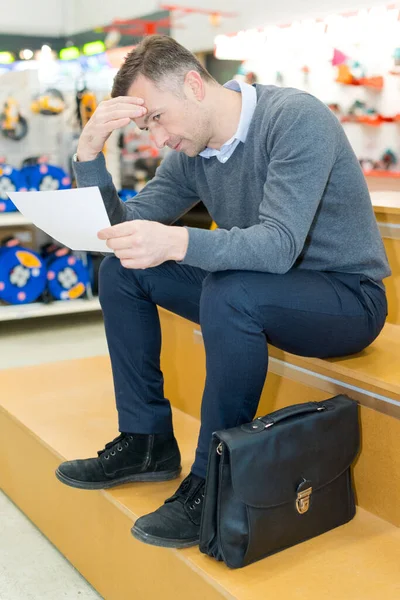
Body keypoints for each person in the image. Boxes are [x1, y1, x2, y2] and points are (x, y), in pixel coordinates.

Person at [56, 35, 390, 549]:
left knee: (230, 292)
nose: (158, 138)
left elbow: (278, 247)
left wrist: (178, 241)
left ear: (194, 84)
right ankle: (146, 442)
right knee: (124, 271)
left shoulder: (295, 118)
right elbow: (122, 234)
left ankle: (215, 482)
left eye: (158, 119)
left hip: (346, 299)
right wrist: (88, 153)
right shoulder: (194, 150)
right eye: (146, 127)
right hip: (261, 292)